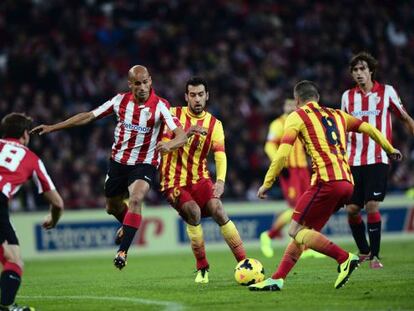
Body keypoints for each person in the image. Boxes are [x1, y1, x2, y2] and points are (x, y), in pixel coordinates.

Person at [249, 81, 402, 292]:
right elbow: (368, 127)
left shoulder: (297, 116)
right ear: (318, 98)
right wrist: (389, 147)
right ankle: (277, 279)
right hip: (348, 182)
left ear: (297, 101)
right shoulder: (337, 114)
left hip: (326, 181)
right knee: (305, 233)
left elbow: (282, 154)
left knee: (295, 229)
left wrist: (267, 183)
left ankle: (344, 258)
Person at [31, 65, 187, 270]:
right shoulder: (119, 101)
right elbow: (88, 116)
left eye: (146, 81)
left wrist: (168, 145)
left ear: (151, 81)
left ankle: (122, 251)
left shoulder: (160, 106)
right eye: (137, 83)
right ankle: (129, 223)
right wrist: (53, 127)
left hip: (144, 163)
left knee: (137, 198)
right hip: (118, 164)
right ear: (130, 84)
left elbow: (181, 135)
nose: (142, 87)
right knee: (111, 207)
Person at [159, 77, 246, 283]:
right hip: (173, 181)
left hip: (200, 179)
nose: (197, 99)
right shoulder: (173, 115)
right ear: (186, 97)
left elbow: (220, 155)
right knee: (194, 211)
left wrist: (221, 181)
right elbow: (163, 147)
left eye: (200, 95)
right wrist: (185, 135)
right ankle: (202, 267)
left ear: (207, 96)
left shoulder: (215, 124)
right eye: (192, 95)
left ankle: (244, 262)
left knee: (218, 209)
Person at [341, 52, 414, 268]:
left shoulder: (387, 92)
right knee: (352, 210)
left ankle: (375, 256)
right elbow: (342, 127)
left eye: (362, 69)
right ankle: (364, 251)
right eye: (355, 70)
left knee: (372, 205)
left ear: (371, 70)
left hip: (378, 157)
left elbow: (405, 118)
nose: (359, 73)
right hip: (353, 160)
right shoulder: (347, 97)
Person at [0, 113, 64, 311]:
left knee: (11, 258)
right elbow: (58, 203)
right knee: (13, 260)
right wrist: (53, 219)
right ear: (25, 134)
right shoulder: (31, 159)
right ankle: (6, 307)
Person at [260, 99, 316, 258]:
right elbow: (269, 145)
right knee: (296, 208)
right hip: (289, 170)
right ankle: (269, 235)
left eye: (294, 105)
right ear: (284, 107)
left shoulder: (300, 121)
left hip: (303, 169)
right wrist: (279, 163)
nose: (291, 107)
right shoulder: (278, 124)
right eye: (288, 105)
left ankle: (305, 247)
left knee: (307, 207)